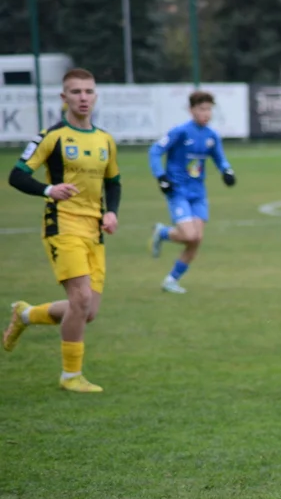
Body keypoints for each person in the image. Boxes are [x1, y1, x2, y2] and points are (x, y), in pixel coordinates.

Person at [3, 68, 121, 393]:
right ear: (64, 97)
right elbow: (17, 175)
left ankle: (26, 315)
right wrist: (48, 190)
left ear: (95, 95)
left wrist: (111, 212)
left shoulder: (105, 140)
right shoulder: (51, 136)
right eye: (76, 92)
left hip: (94, 230)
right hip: (62, 225)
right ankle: (71, 376)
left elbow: (113, 183)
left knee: (88, 311)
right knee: (80, 299)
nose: (83, 97)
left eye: (88, 91)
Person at [148, 91, 236, 294]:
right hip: (178, 190)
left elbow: (220, 158)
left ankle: (171, 280)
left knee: (196, 239)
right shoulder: (180, 132)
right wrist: (161, 176)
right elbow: (155, 151)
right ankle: (162, 232)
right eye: (202, 109)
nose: (206, 113)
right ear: (191, 110)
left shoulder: (211, 136)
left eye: (209, 109)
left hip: (198, 193)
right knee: (188, 235)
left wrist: (227, 171)